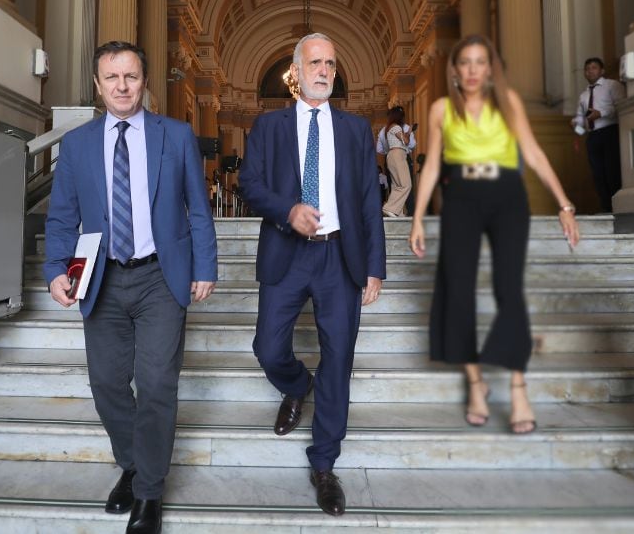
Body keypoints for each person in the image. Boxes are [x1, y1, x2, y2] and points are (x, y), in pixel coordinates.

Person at [43, 41, 218, 534]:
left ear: (144, 81)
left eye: (131, 76)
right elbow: (62, 216)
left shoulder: (175, 135)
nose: (122, 86)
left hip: (161, 275)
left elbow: (197, 208)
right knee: (107, 384)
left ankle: (149, 491)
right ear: (97, 85)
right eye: (112, 78)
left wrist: (205, 265)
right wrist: (55, 269)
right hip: (101, 276)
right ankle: (133, 462)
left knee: (157, 383)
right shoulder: (77, 145)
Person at [239, 32, 386, 517]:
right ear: (296, 71)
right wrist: (288, 210)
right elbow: (250, 183)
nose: (324, 71)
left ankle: (324, 463)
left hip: (340, 256)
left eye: (330, 64)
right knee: (267, 347)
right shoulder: (269, 125)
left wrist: (375, 267)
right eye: (315, 63)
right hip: (287, 251)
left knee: (339, 359)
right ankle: (297, 384)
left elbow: (368, 201)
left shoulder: (355, 129)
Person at [408, 34, 580, 434]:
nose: (472, 70)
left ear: (490, 69)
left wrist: (564, 205)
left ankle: (518, 387)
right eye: (464, 62)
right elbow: (432, 166)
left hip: (506, 196)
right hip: (461, 196)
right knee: (458, 290)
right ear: (454, 69)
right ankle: (476, 383)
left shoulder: (508, 102)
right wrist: (417, 217)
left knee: (509, 289)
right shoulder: (440, 109)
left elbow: (533, 153)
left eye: (479, 62)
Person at [571, 57, 624, 212]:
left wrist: (601, 113)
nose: (590, 71)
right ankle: (606, 209)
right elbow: (581, 118)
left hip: (610, 132)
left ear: (602, 71)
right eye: (587, 69)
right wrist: (576, 123)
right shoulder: (583, 95)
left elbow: (621, 106)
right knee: (598, 174)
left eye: (594, 68)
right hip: (593, 136)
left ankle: (618, 208)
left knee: (612, 170)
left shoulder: (612, 85)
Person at [377, 115, 418, 214]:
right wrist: (409, 131)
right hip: (398, 155)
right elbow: (407, 142)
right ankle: (389, 208)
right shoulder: (396, 127)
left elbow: (379, 149)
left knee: (397, 186)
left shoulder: (387, 129)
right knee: (406, 185)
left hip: (391, 155)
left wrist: (408, 132)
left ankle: (397, 212)